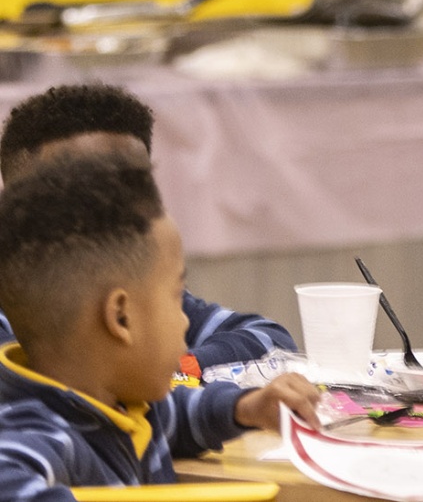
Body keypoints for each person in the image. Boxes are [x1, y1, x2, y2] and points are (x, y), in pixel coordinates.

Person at [0, 153, 321, 498]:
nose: (185, 319)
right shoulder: (39, 435)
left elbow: (179, 414)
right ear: (121, 318)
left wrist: (247, 407)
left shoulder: (124, 405)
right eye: (175, 296)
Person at [0, 83, 299, 374]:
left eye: (135, 188)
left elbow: (269, 339)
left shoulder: (132, 286)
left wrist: (179, 368)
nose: (118, 211)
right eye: (86, 194)